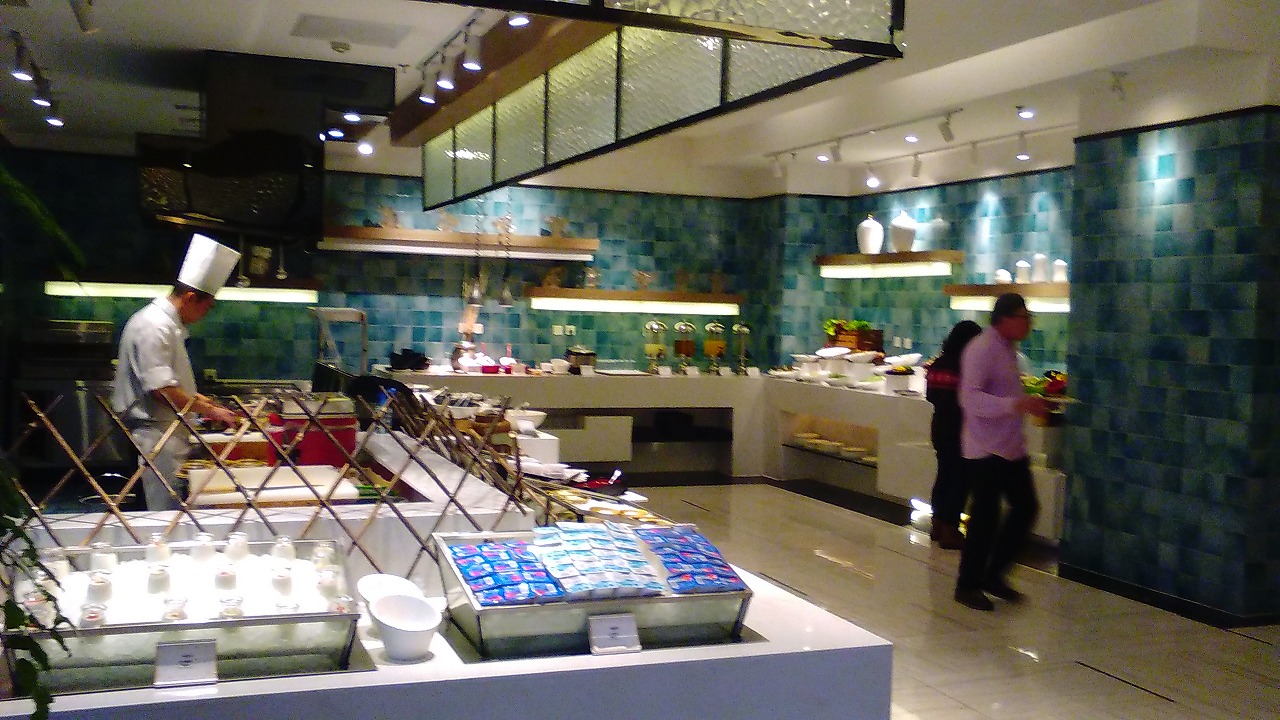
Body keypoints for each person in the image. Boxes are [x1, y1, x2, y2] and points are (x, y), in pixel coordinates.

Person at [113, 233, 241, 510]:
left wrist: (208, 403)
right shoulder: (154, 325)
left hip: (166, 433)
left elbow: (172, 383)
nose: (205, 315)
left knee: (173, 513)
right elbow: (162, 391)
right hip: (154, 438)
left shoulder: (167, 325)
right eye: (206, 307)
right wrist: (211, 411)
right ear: (191, 297)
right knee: (161, 518)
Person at [953, 293, 1051, 611]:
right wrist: (1016, 405)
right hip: (984, 448)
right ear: (1005, 318)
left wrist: (1026, 406)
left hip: (1009, 448)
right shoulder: (981, 348)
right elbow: (969, 399)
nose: (1028, 323)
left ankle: (994, 574)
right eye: (1024, 317)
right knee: (985, 516)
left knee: (1025, 507)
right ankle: (967, 585)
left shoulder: (1008, 350)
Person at [925, 319, 982, 550]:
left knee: (944, 474)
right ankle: (950, 529)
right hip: (960, 428)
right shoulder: (965, 367)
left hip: (939, 425)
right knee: (959, 479)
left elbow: (930, 395)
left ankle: (937, 524)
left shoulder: (938, 364)